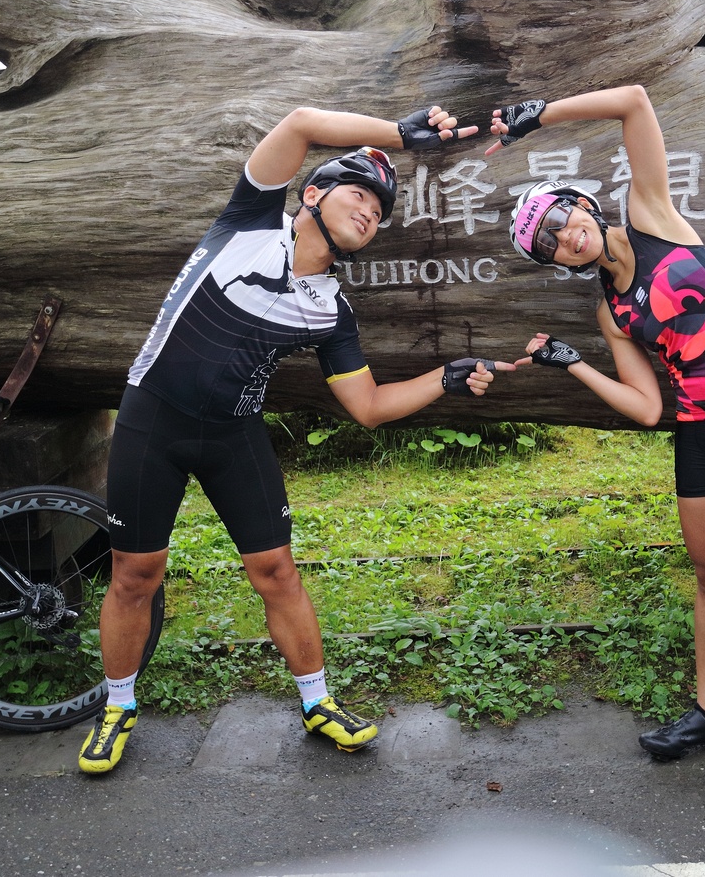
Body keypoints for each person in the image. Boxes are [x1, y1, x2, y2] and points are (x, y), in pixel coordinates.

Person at [81, 104, 515, 775]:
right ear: (311, 194)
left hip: (233, 434)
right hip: (153, 420)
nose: (369, 212)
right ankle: (116, 709)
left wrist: (445, 379)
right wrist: (399, 136)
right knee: (135, 574)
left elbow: (367, 407)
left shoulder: (330, 311)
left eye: (379, 210)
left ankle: (318, 702)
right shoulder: (247, 223)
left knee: (277, 572)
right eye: (358, 194)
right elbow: (300, 123)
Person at [495, 86, 705, 816]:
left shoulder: (652, 217)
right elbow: (645, 406)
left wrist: (539, 115)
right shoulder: (610, 309)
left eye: (561, 219)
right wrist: (574, 363)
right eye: (547, 243)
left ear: (582, 204)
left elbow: (634, 104)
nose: (564, 237)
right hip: (699, 428)